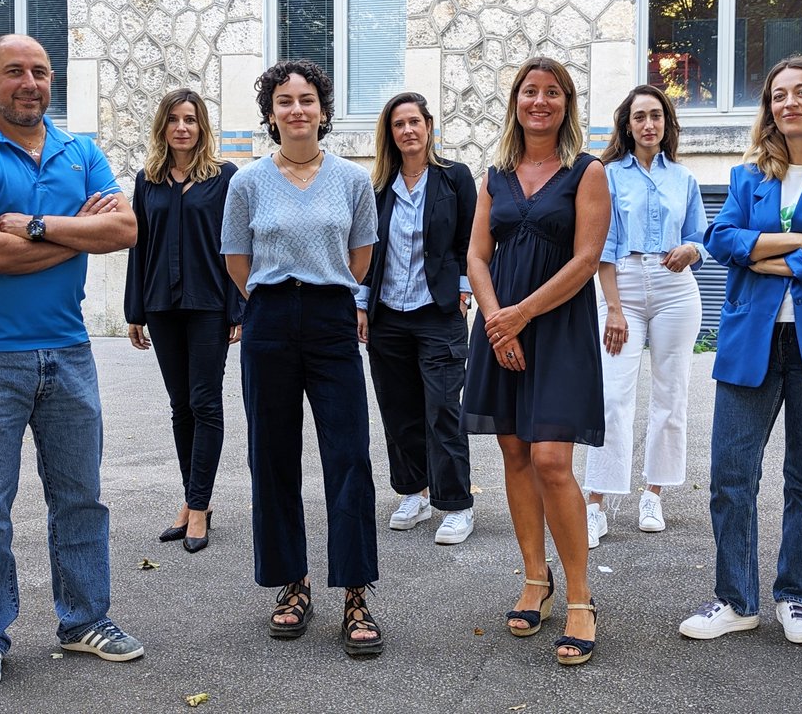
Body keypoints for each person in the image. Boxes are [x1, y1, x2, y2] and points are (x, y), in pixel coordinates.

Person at [0, 34, 144, 691]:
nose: (30, 82)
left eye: (41, 71)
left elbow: (126, 230)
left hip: (68, 352)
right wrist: (75, 233)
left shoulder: (79, 151)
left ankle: (84, 621)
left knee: (81, 497)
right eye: (15, 71)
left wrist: (29, 224)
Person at [678, 57, 802, 645]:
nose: (788, 103)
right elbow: (721, 239)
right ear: (769, 108)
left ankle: (797, 596)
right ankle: (736, 599)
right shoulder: (749, 177)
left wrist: (763, 256)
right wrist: (798, 239)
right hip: (754, 338)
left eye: (801, 92)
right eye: (777, 95)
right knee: (730, 474)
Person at [220, 59, 384, 656]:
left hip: (331, 317)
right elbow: (238, 262)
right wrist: (275, 297)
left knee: (348, 456)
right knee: (273, 456)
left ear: (323, 109)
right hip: (266, 321)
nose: (297, 110)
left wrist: (319, 290)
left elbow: (360, 258)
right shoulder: (247, 182)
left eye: (307, 99)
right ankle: (294, 582)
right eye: (285, 101)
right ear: (270, 114)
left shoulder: (350, 180)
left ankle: (356, 593)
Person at [461, 56, 611, 666]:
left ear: (566, 103)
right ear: (516, 102)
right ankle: (534, 578)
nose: (540, 101)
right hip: (502, 329)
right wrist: (498, 323)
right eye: (530, 91)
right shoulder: (493, 174)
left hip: (558, 328)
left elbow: (585, 260)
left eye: (553, 93)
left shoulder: (587, 171)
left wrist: (519, 316)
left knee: (552, 459)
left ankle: (581, 596)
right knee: (515, 452)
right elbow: (475, 255)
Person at [583, 85, 707, 547]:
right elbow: (603, 245)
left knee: (670, 395)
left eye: (656, 116)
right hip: (625, 286)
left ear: (666, 123)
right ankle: (596, 502)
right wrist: (613, 307)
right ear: (627, 125)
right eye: (639, 117)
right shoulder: (609, 175)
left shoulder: (684, 179)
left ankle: (653, 492)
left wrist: (693, 249)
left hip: (676, 289)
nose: (648, 124)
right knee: (612, 398)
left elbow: (701, 234)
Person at [356, 92, 478, 544]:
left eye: (414, 122)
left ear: (429, 126)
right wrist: (361, 303)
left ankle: (456, 504)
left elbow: (470, 239)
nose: (407, 131)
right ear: (390, 134)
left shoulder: (454, 178)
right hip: (388, 315)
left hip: (437, 312)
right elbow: (366, 249)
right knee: (398, 408)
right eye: (398, 125)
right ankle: (414, 491)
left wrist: (465, 290)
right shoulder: (378, 188)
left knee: (444, 409)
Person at [124, 88, 242, 554]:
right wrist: (135, 310)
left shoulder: (224, 178)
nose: (182, 127)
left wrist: (239, 308)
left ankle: (197, 505)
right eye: (174, 119)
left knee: (205, 403)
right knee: (180, 406)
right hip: (161, 305)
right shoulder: (147, 180)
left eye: (190, 119)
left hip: (210, 303)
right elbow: (140, 247)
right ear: (163, 126)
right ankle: (196, 501)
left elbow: (237, 245)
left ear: (202, 127)